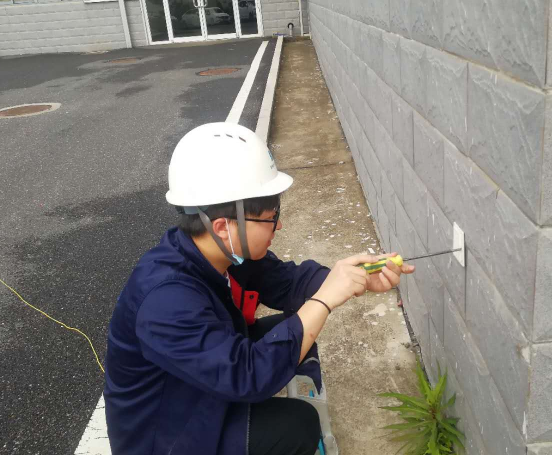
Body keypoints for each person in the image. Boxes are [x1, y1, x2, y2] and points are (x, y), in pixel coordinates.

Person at [103, 122, 414, 455]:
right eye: (270, 217)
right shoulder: (165, 301)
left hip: (193, 389)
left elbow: (287, 282)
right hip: (168, 435)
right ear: (223, 226)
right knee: (296, 426)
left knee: (291, 330)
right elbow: (246, 376)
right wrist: (324, 301)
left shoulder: (222, 252)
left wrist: (356, 279)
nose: (278, 224)